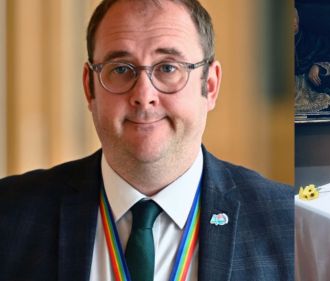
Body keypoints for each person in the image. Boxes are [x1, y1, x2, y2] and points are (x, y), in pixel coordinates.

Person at [0, 1, 294, 280]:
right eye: (121, 69)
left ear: (210, 85)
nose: (143, 95)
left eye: (168, 68)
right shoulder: (11, 214)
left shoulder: (290, 225)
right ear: (90, 88)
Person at [294, 7, 330, 113]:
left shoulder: (313, 40)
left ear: (298, 18)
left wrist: (318, 66)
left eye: (294, 17)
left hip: (309, 90)